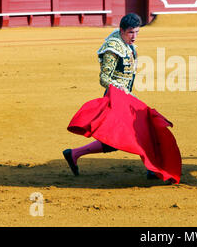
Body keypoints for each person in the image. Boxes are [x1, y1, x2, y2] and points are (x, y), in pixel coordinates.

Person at [63, 13, 162, 180]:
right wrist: (121, 90)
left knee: (116, 139)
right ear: (122, 30)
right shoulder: (113, 48)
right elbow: (104, 78)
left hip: (126, 98)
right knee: (137, 131)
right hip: (116, 99)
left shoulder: (127, 44)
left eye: (137, 32)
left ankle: (74, 154)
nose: (134, 36)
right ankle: (151, 168)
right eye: (131, 32)